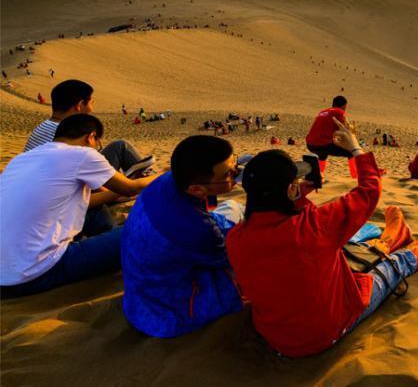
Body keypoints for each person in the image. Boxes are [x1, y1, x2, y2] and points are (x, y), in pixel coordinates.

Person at [227, 118, 418, 357]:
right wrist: (355, 148)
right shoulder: (314, 226)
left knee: (342, 253)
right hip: (329, 329)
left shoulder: (235, 239)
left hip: (279, 340)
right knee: (394, 266)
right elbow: (369, 191)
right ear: (289, 190)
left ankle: (389, 239)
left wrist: (297, 192)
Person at [0, 115, 156, 296]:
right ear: (91, 137)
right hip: (34, 274)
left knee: (94, 212)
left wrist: (113, 194)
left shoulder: (21, 160)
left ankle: (107, 239)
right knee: (145, 233)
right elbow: (131, 188)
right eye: (97, 146)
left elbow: (80, 203)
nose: (97, 150)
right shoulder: (82, 154)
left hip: (6, 276)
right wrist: (165, 176)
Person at [121, 136, 244, 338]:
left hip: (138, 284)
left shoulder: (166, 181)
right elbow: (230, 257)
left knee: (233, 208)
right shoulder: (198, 231)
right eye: (229, 174)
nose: (236, 174)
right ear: (196, 189)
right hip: (163, 308)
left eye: (235, 164)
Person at [24, 79, 154, 177]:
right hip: (67, 188)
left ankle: (143, 176)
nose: (92, 109)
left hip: (54, 179)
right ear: (80, 105)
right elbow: (83, 173)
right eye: (91, 103)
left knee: (120, 146)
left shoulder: (45, 126)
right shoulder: (67, 135)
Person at [306, 96, 352, 175]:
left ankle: (320, 174)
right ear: (343, 106)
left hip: (310, 144)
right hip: (322, 144)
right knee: (351, 152)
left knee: (323, 155)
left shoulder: (323, 112)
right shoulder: (339, 112)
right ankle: (356, 177)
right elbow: (343, 129)